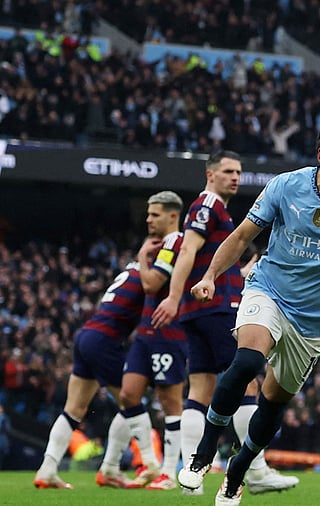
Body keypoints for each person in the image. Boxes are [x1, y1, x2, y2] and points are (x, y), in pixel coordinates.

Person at [177, 115, 320, 505]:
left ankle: (237, 473)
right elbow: (243, 235)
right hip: (267, 291)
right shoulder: (286, 186)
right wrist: (210, 275)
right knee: (245, 364)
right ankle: (203, 452)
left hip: (312, 322)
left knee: (273, 403)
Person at [151, 151, 296, 495]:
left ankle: (190, 480)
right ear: (210, 173)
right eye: (228, 171)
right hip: (215, 307)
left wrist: (239, 273)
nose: (235, 177)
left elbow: (202, 256)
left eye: (239, 171)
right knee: (246, 383)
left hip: (198, 309)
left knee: (199, 391)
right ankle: (256, 471)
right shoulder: (207, 206)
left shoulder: (216, 211)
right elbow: (187, 252)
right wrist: (172, 295)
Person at [34, 233, 163, 489]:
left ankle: (47, 470)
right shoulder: (150, 277)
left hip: (87, 336)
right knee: (133, 401)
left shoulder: (129, 271)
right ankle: (151, 466)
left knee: (74, 410)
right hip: (104, 340)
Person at [111, 191, 187, 490]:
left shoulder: (174, 243)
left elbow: (151, 282)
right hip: (145, 333)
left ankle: (169, 472)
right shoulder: (164, 245)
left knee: (170, 402)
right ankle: (149, 463)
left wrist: (143, 256)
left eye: (154, 214)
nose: (148, 219)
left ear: (172, 216)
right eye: (148, 214)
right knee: (129, 394)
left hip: (168, 333)